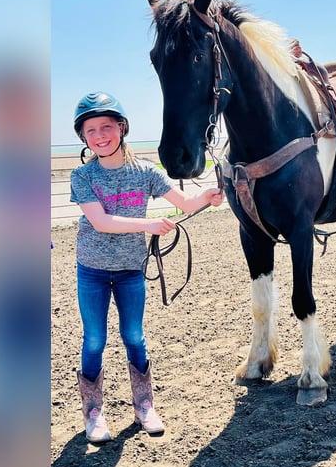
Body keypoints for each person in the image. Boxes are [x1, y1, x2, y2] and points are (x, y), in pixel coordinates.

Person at [70, 92, 224, 443]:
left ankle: (144, 406)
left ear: (122, 128)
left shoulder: (145, 172)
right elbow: (101, 221)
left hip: (130, 270)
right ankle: (94, 413)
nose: (99, 135)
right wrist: (148, 225)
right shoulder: (83, 175)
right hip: (92, 270)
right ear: (83, 137)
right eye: (90, 130)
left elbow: (184, 202)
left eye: (106, 127)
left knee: (134, 337)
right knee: (94, 340)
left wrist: (208, 196)